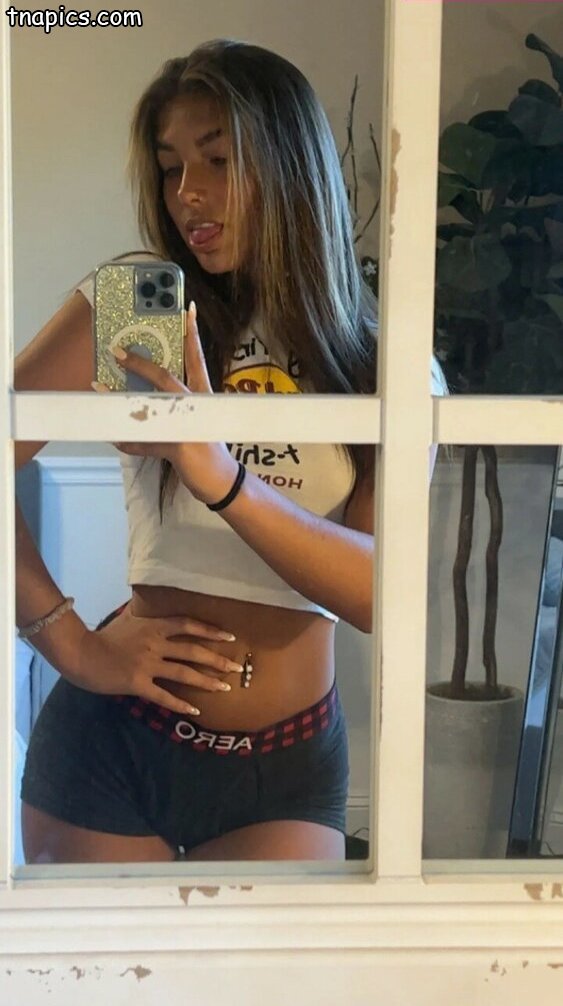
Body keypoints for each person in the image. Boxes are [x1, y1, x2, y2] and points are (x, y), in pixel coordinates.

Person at [15, 39, 442, 864]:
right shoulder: (145, 302)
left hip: (284, 764)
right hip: (112, 746)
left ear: (289, 167)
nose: (188, 194)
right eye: (170, 167)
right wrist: (69, 643)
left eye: (218, 159)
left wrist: (221, 476)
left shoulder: (377, 359)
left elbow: (377, 595)